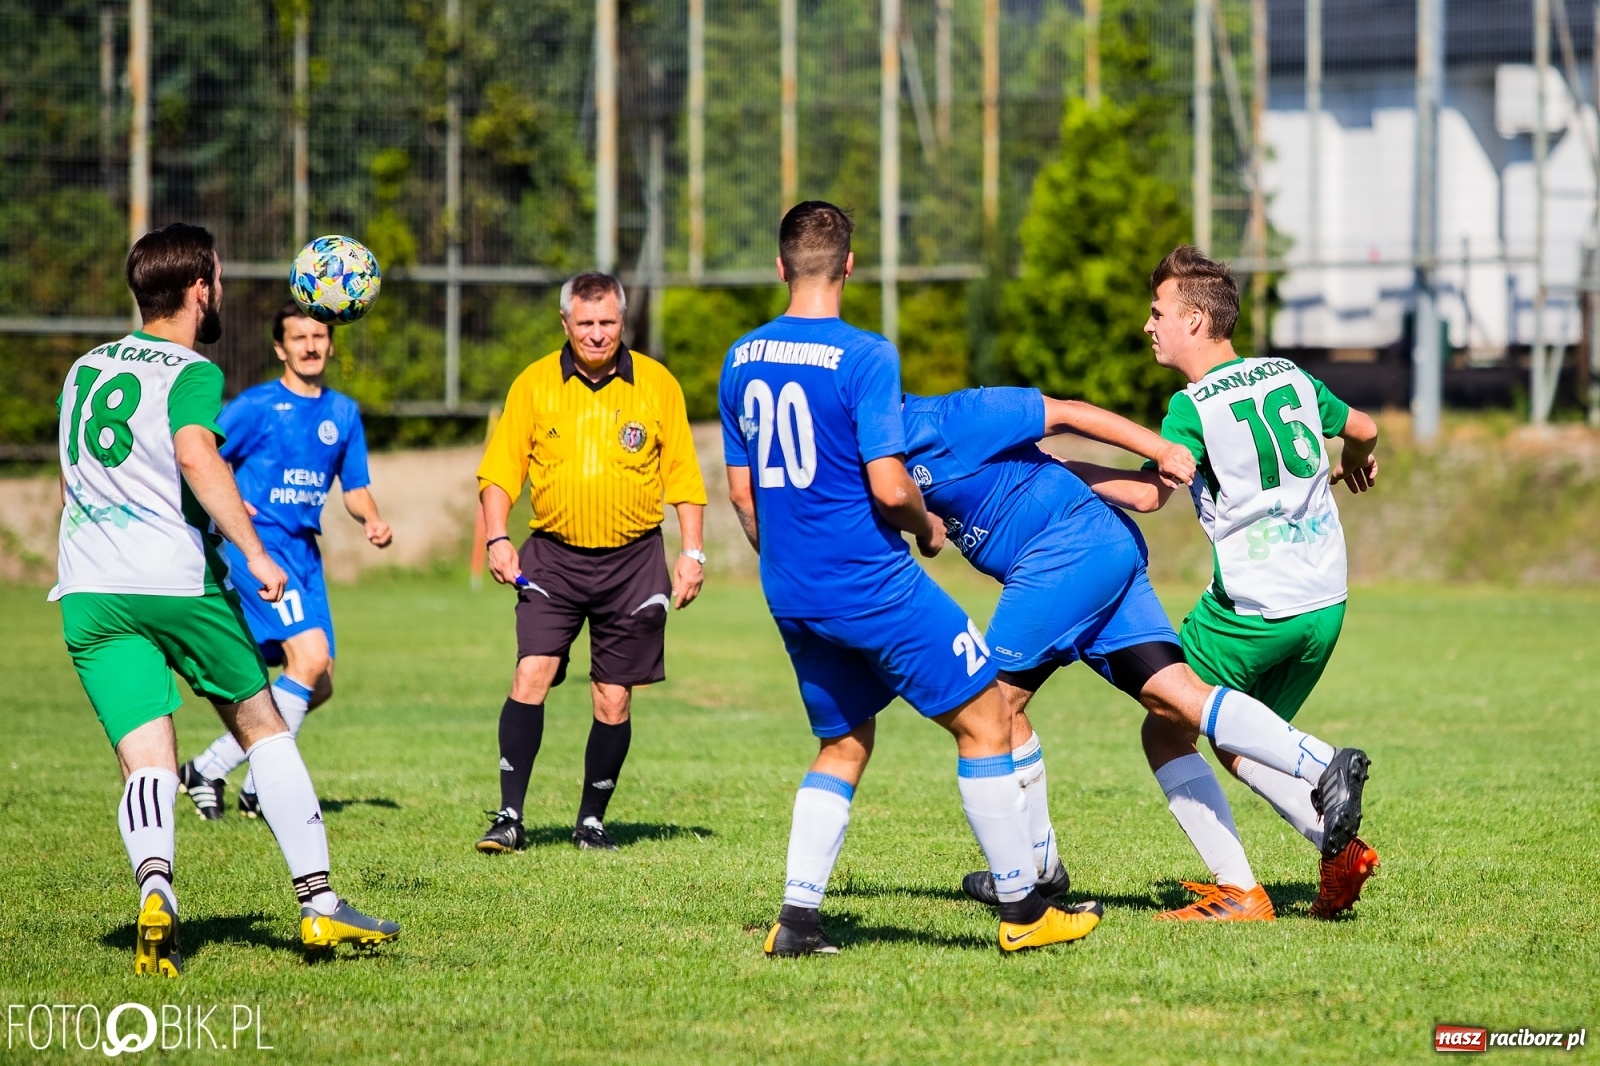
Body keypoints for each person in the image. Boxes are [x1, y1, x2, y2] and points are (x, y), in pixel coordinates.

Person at [721, 201, 1102, 957]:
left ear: (780, 267)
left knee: (842, 742)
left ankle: (796, 923)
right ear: (850, 266)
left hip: (790, 587)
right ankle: (1026, 913)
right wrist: (928, 527)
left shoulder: (741, 356)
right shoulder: (865, 355)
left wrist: (789, 563)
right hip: (870, 583)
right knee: (988, 716)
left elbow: (741, 494)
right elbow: (892, 487)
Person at [52, 223, 397, 976]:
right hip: (177, 581)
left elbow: (76, 479)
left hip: (87, 588)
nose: (224, 290)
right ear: (200, 287)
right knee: (263, 727)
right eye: (220, 277)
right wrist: (253, 549)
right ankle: (319, 906)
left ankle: (157, 894)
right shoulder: (192, 371)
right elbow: (194, 452)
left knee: (145, 759)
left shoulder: (84, 369)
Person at [902, 385, 1370, 921]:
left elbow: (1067, 413)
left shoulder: (956, 414)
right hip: (1097, 549)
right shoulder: (877, 450)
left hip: (1062, 552)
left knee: (989, 705)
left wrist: (1161, 448)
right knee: (1176, 703)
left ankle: (1035, 868)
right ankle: (1311, 774)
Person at [1067, 245, 1381, 918]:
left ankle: (1242, 889)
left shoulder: (1191, 407)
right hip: (1325, 604)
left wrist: (1067, 472)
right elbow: (1365, 427)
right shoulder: (1290, 375)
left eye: (1158, 313)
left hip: (1253, 609)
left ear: (1195, 321)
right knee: (1239, 740)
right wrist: (1356, 460)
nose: (1148, 325)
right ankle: (1338, 848)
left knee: (1167, 724)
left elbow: (1151, 495)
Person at [475, 272, 708, 853]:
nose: (598, 334)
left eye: (607, 322)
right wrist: (496, 538)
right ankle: (509, 817)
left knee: (613, 695)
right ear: (566, 323)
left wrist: (693, 553)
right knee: (533, 672)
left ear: (622, 321)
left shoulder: (657, 385)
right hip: (552, 559)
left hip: (634, 562)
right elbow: (500, 472)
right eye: (586, 323)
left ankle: (591, 821)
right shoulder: (533, 384)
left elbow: (684, 477)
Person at [179, 302, 391, 819]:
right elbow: (203, 453)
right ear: (281, 348)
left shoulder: (342, 413)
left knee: (320, 682)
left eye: (319, 336)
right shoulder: (256, 407)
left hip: (304, 556)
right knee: (309, 660)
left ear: (331, 345)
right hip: (258, 549)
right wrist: (231, 502)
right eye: (299, 338)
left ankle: (207, 768)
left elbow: (355, 488)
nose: (310, 345)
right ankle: (261, 787)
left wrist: (372, 519)